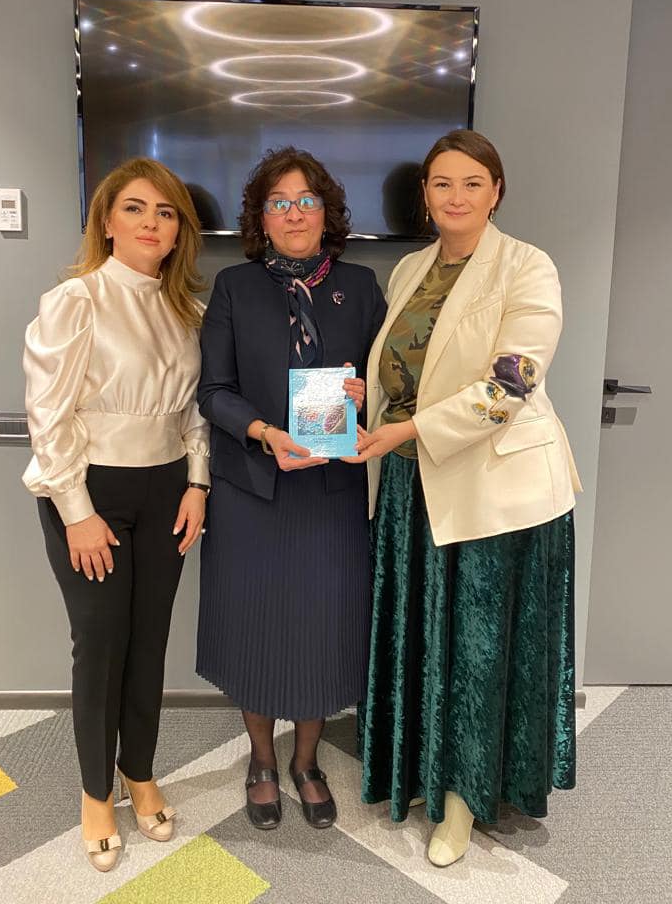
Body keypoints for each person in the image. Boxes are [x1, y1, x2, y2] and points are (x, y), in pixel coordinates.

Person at [348, 130, 582, 866]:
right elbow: (407, 369)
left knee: (476, 649)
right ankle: (425, 770)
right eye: (442, 183)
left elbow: (513, 383)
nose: (456, 196)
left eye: (472, 183)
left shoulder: (527, 266)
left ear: (496, 192)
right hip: (411, 482)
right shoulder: (410, 267)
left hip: (495, 489)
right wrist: (368, 397)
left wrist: (411, 427)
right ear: (425, 194)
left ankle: (464, 798)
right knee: (425, 638)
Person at [23, 158, 210, 871]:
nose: (151, 223)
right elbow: (48, 414)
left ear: (179, 231)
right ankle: (96, 792)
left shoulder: (187, 311)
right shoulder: (76, 300)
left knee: (148, 642)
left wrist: (197, 484)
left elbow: (194, 414)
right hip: (91, 489)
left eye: (166, 212)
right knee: (101, 646)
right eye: (135, 208)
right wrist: (76, 510)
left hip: (167, 490)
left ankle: (140, 772)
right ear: (107, 221)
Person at [196, 146, 386, 831]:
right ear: (262, 218)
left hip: (332, 493)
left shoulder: (361, 286)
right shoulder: (233, 287)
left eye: (307, 200)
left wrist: (367, 393)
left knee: (320, 630)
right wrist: (264, 432)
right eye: (280, 202)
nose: (295, 213)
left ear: (326, 213)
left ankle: (306, 761)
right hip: (253, 490)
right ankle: (261, 760)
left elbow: (392, 382)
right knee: (252, 628)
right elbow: (212, 391)